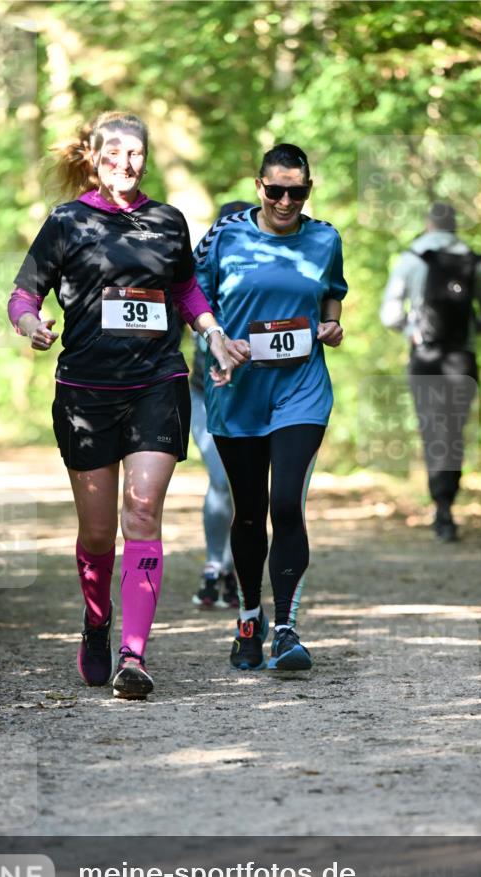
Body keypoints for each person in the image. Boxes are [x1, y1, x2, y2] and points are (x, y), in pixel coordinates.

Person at [8, 111, 238, 699]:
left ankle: (133, 656)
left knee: (142, 513)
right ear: (94, 158)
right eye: (113, 153)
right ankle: (96, 620)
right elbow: (23, 294)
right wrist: (32, 324)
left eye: (135, 153)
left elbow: (185, 290)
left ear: (146, 158)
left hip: (157, 382)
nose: (124, 163)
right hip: (86, 392)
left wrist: (212, 333)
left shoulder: (167, 221)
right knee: (96, 533)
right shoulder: (67, 221)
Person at [194, 144, 348, 672]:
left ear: (308, 190)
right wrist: (217, 342)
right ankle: (247, 619)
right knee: (248, 513)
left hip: (302, 389)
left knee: (285, 503)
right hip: (237, 392)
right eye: (276, 190)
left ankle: (286, 628)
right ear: (259, 186)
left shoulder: (325, 237)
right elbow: (193, 299)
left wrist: (332, 323)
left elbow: (332, 292)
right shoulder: (225, 235)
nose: (286, 201)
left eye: (296, 192)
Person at [380, 202, 481, 541]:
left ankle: (440, 507)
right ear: (455, 225)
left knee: (432, 427)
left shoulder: (412, 257)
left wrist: (412, 331)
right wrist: (469, 332)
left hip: (426, 356)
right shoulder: (473, 260)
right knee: (454, 430)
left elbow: (390, 315)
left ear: (428, 224)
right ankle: (448, 502)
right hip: (463, 357)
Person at [189, 201, 253, 610]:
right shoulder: (198, 276)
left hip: (256, 399)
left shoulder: (266, 279)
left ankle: (235, 567)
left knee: (246, 487)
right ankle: (216, 565)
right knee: (220, 478)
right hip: (204, 394)